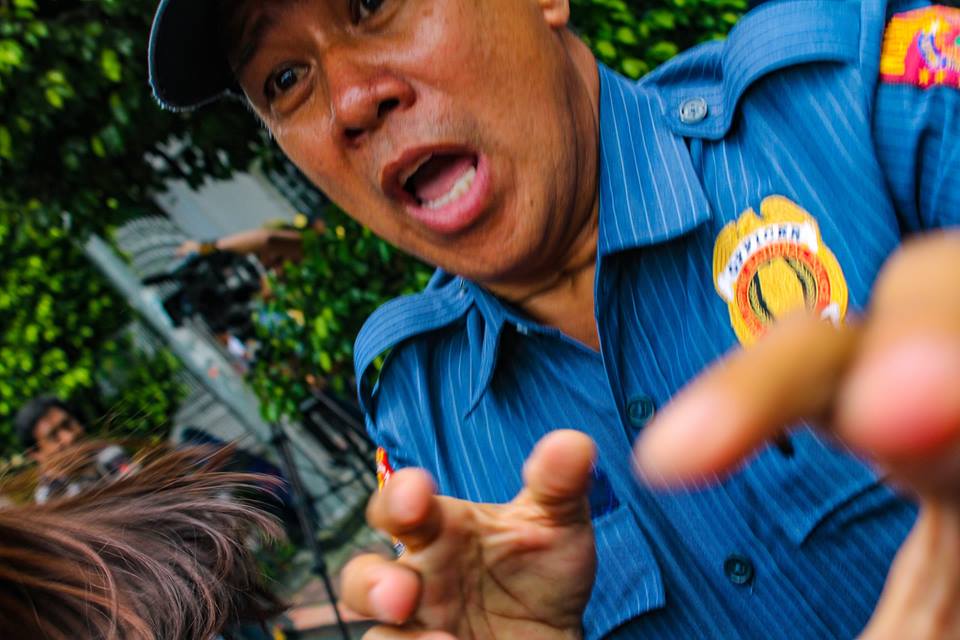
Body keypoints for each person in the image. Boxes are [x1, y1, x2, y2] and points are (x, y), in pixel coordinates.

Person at [147, 0, 960, 638]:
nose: (352, 102)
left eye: (372, 1)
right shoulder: (418, 402)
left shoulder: (858, 106)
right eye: (285, 80)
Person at [0, 443, 285, 639]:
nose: (66, 438)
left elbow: (156, 495)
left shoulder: (107, 457)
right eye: (53, 435)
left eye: (67, 425)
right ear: (37, 452)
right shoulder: (50, 497)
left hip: (180, 587)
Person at [14, 396, 92, 503]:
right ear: (35, 454)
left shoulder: (108, 455)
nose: (69, 437)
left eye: (67, 424)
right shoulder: (52, 502)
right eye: (53, 436)